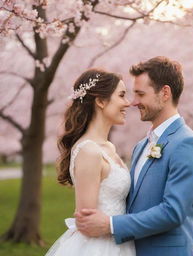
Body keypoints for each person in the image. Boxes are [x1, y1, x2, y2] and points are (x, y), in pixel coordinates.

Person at [75, 56, 193, 256]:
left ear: (164, 93)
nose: (133, 102)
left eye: (140, 94)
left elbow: (173, 212)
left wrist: (110, 224)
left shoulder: (186, 143)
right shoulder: (141, 146)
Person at [45, 69, 136, 255]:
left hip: (120, 241)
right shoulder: (89, 151)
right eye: (121, 95)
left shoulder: (108, 148)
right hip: (101, 247)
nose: (128, 103)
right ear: (101, 101)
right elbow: (86, 221)